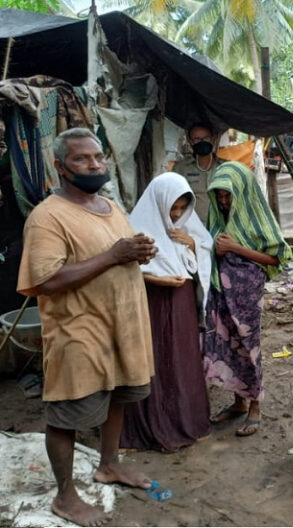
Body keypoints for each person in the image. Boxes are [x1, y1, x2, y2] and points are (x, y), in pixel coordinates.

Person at [17, 128, 156, 526]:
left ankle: (108, 464)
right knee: (65, 413)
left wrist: (138, 252)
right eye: (82, 159)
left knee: (118, 396)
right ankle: (65, 496)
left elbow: (118, 253)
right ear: (61, 167)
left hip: (122, 326)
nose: (95, 164)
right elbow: (45, 281)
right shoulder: (48, 216)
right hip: (79, 331)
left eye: (98, 156)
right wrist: (114, 255)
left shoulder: (110, 207)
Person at [120, 172, 214, 452]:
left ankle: (184, 420)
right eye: (172, 208)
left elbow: (205, 249)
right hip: (150, 300)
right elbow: (123, 268)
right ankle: (146, 425)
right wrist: (156, 278)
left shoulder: (186, 225)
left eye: (181, 208)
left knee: (181, 357)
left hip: (180, 300)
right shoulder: (136, 227)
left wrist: (193, 244)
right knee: (151, 357)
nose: (176, 214)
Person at [203, 161, 293, 437]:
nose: (223, 200)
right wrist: (215, 253)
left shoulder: (257, 217)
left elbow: (277, 257)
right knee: (226, 345)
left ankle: (256, 405)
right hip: (221, 292)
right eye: (219, 195)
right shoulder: (217, 219)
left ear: (242, 192)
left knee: (248, 345)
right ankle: (238, 402)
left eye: (228, 194)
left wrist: (235, 247)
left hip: (246, 293)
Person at [172, 123, 222, 220]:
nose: (202, 142)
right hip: (192, 228)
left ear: (212, 139)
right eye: (197, 139)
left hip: (221, 228)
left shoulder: (226, 167)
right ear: (190, 141)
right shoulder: (181, 168)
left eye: (206, 138)